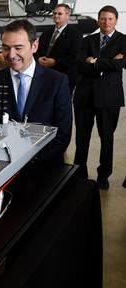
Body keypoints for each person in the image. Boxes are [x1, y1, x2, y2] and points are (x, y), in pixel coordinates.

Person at [0, 19, 72, 163]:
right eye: (6, 48)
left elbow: (63, 134)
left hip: (46, 165)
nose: (11, 55)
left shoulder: (57, 82)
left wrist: (32, 159)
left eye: (18, 47)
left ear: (34, 46)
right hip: (2, 166)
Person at [73, 5, 125, 189]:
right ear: (98, 20)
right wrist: (108, 63)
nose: (106, 22)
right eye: (103, 18)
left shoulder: (123, 40)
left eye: (110, 19)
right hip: (84, 96)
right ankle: (80, 174)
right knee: (82, 138)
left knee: (107, 138)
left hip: (109, 97)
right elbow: (79, 64)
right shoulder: (88, 40)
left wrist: (94, 62)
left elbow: (121, 65)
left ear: (116, 20)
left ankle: (104, 175)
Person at [36, 3, 82, 94]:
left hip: (64, 76)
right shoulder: (46, 33)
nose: (56, 16)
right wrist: (38, 59)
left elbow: (74, 57)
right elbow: (37, 50)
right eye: (54, 13)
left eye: (59, 14)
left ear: (67, 15)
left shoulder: (75, 34)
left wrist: (55, 62)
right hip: (45, 75)